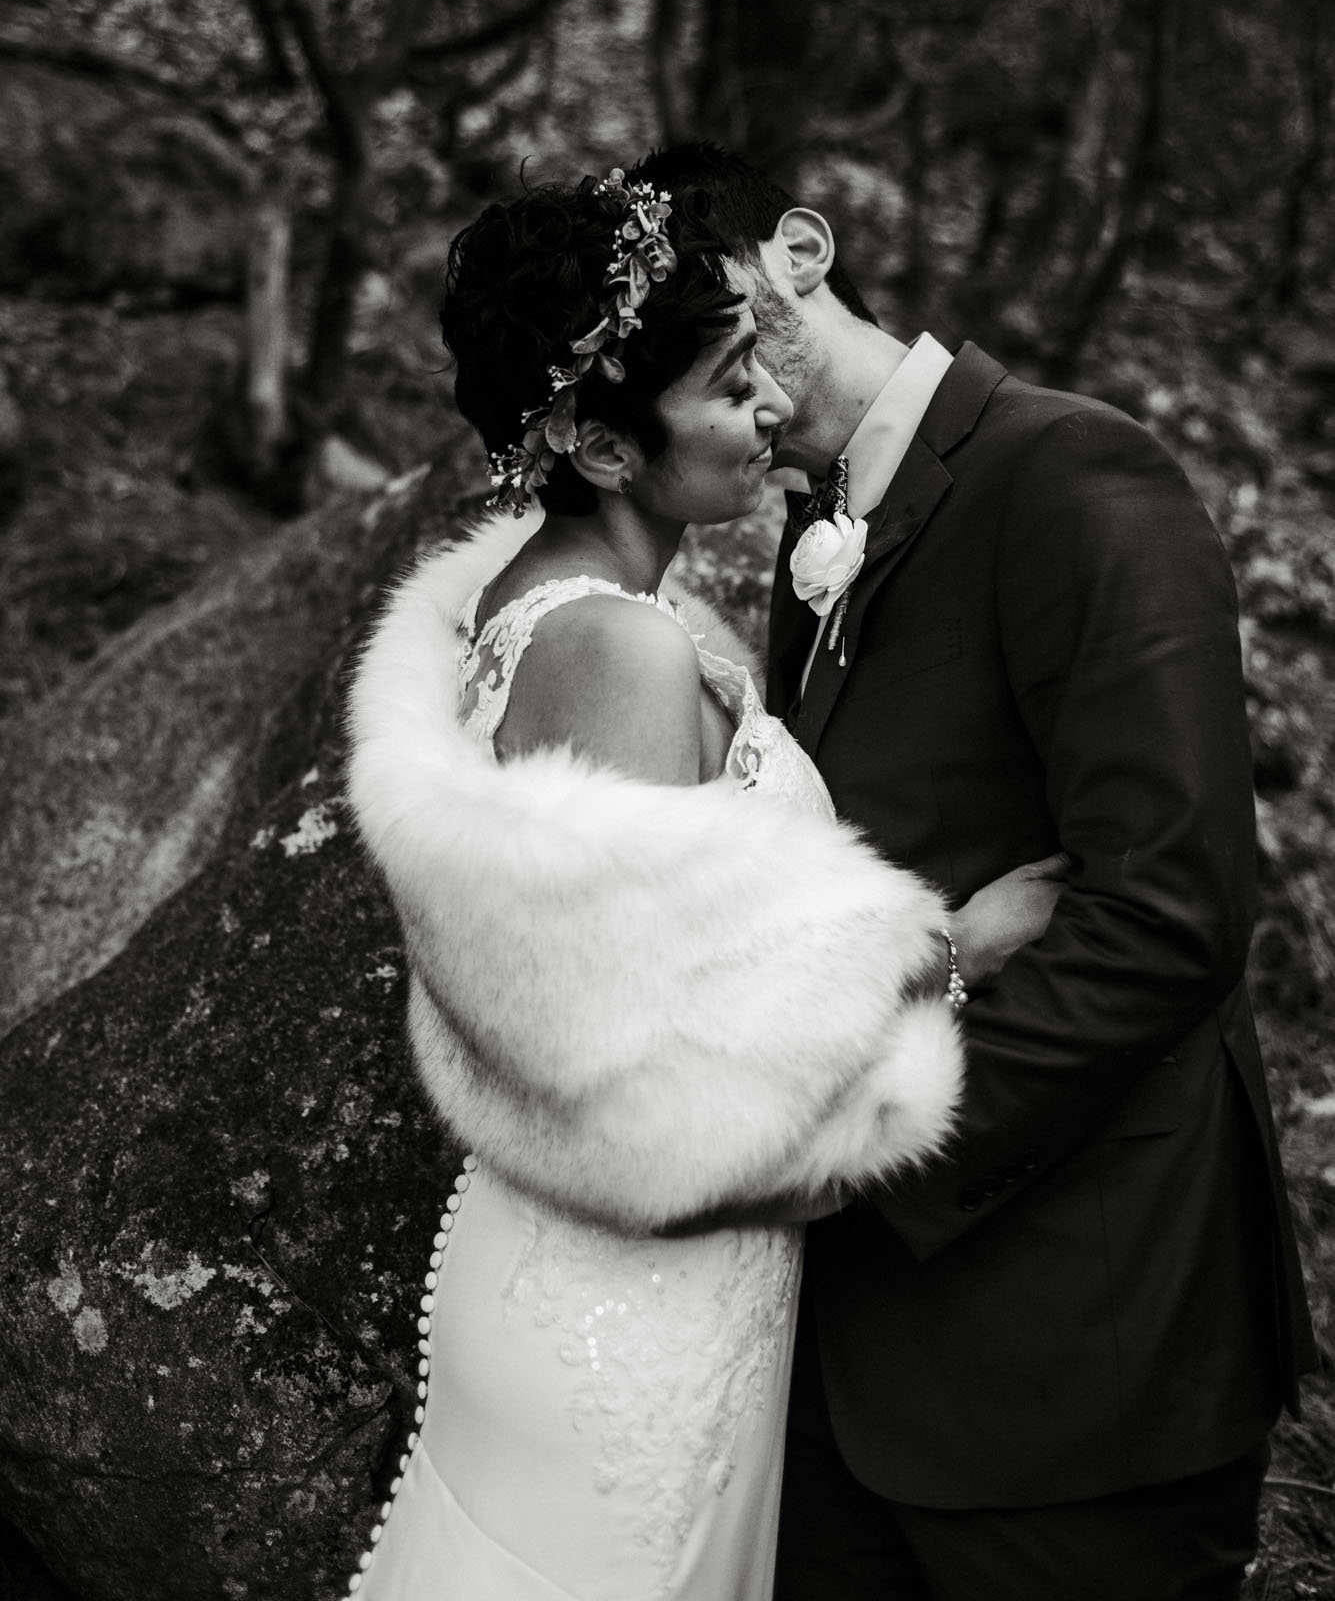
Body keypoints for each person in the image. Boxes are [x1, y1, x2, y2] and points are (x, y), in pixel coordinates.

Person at [343, 169, 1060, 1601]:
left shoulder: (550, 612)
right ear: (604, 447)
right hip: (626, 1327)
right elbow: (645, 1096)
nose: (772, 412)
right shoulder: (621, 653)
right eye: (731, 389)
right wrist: (955, 956)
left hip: (612, 1297)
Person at [622, 143, 1317, 1601]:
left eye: (705, 306)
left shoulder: (1077, 473)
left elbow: (1167, 917)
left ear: (801, 253)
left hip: (1083, 1370)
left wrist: (862, 1159)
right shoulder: (814, 536)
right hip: (852, 1378)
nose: (689, 364)